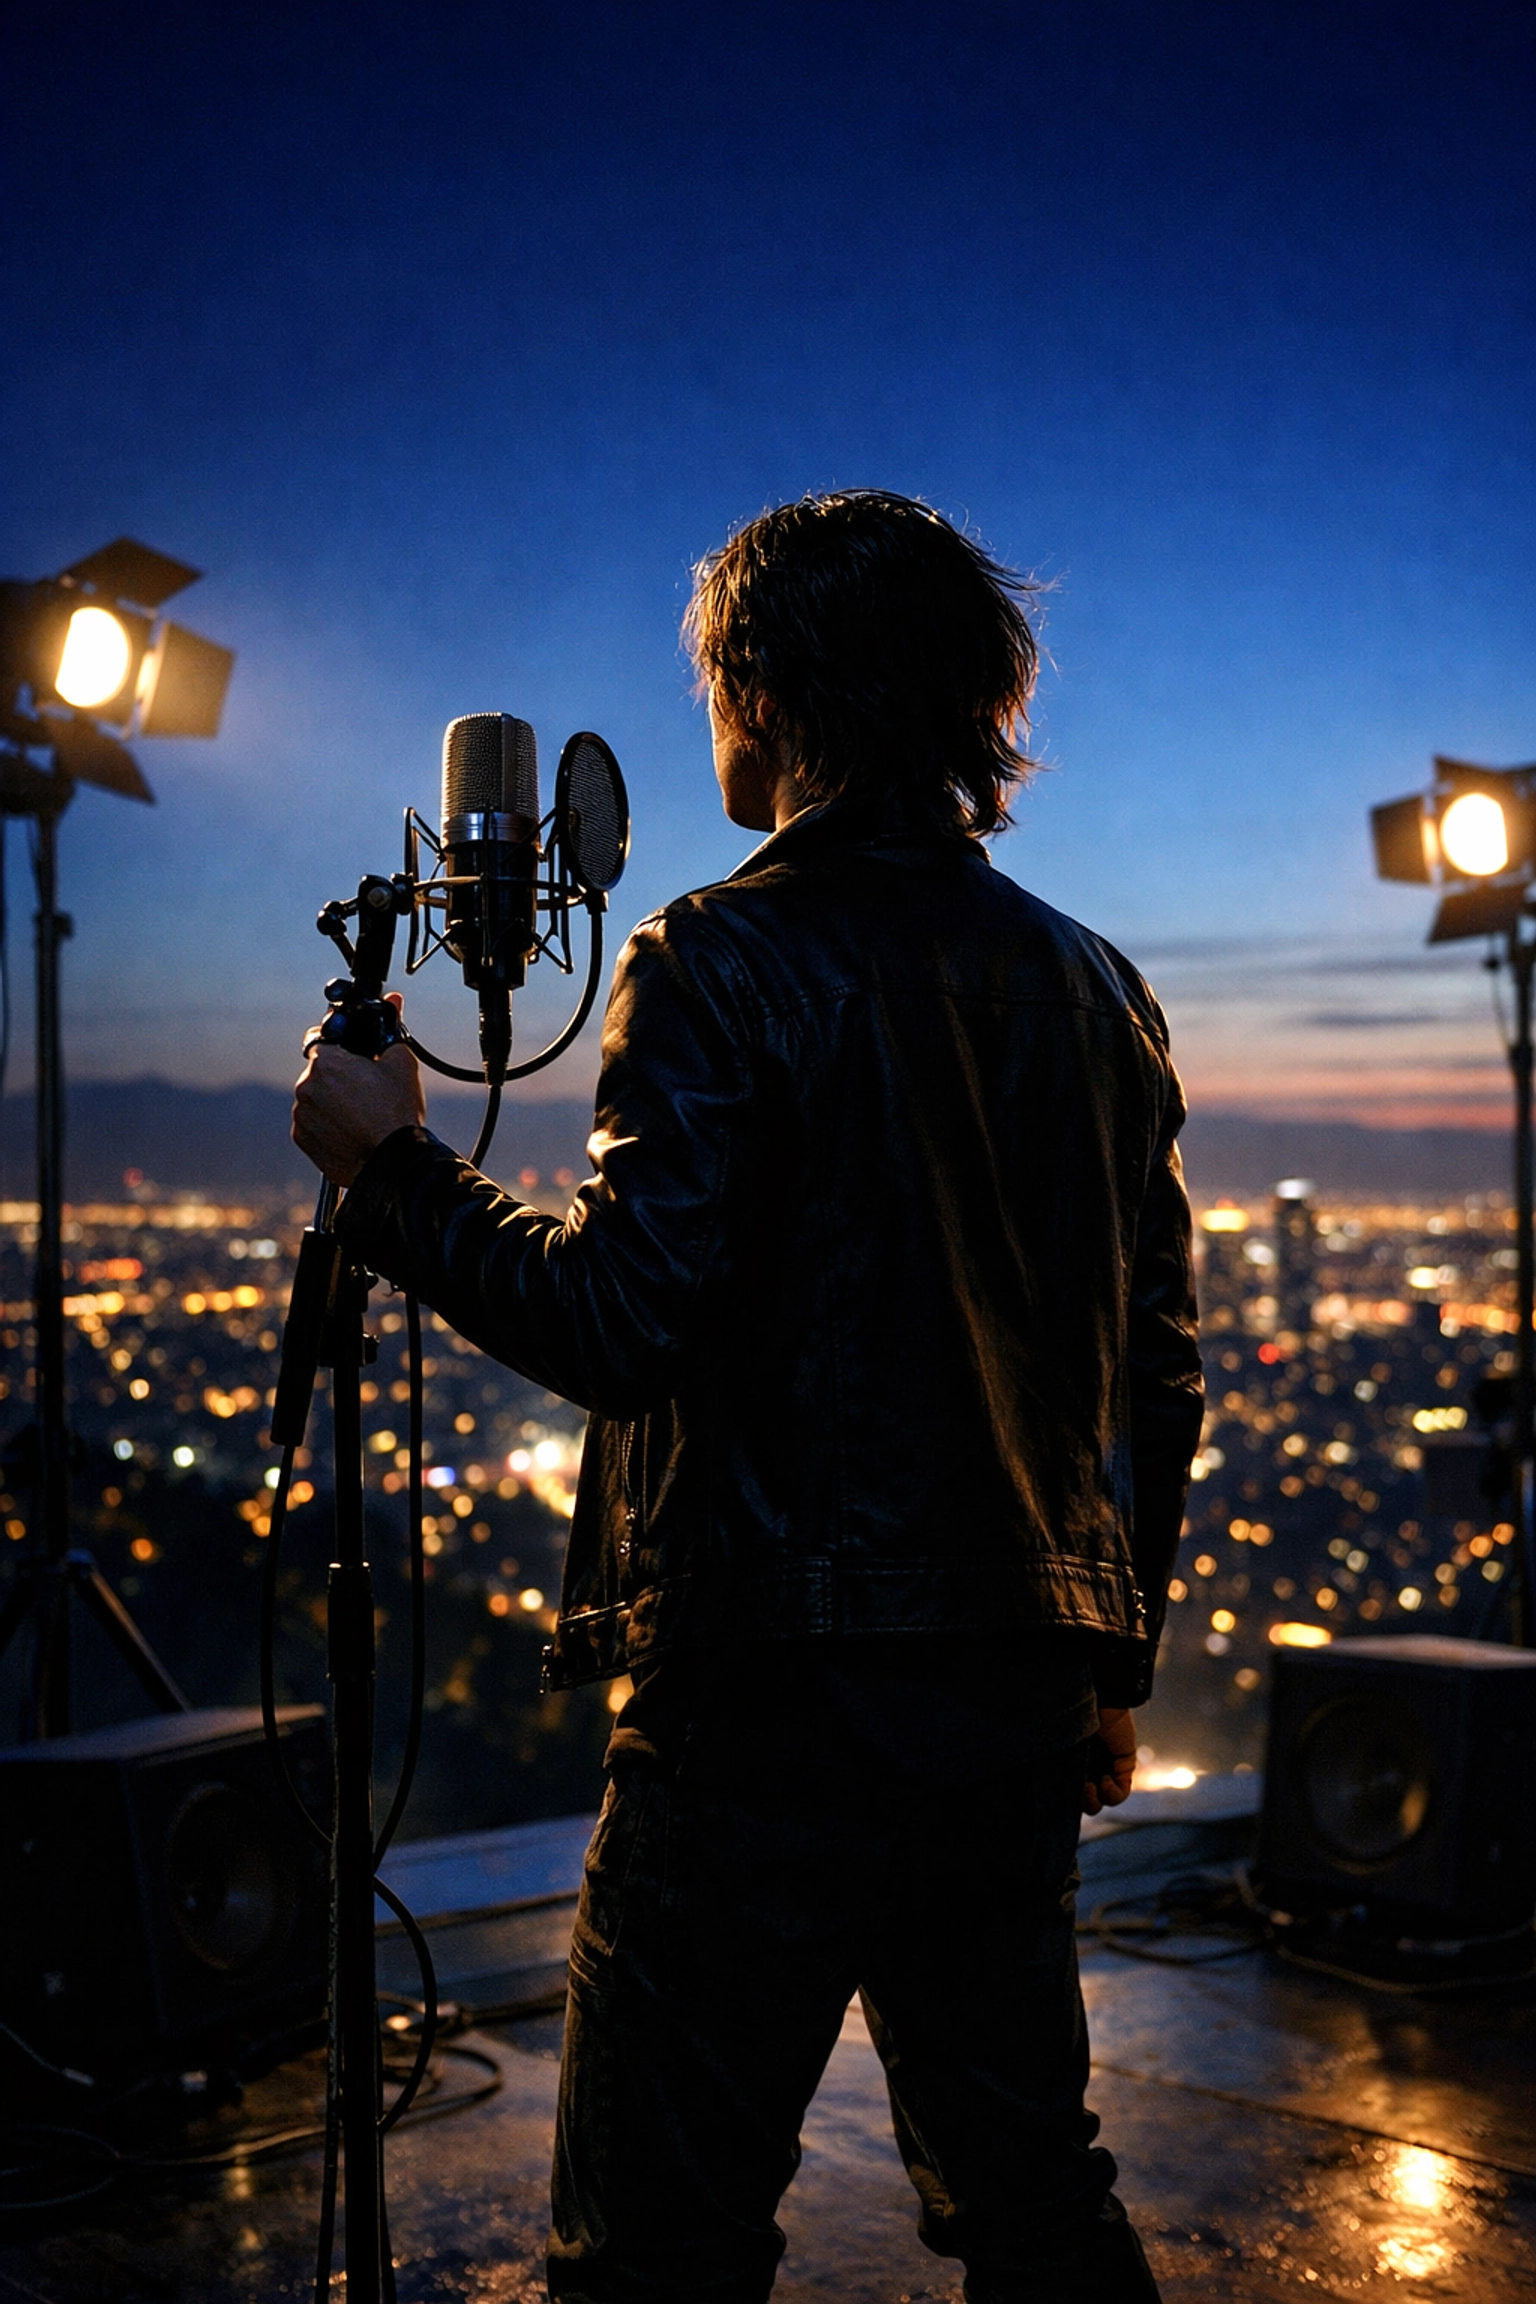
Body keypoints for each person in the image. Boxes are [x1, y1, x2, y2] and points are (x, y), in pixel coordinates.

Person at [293, 489, 1204, 2304]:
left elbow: (626, 1319)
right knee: (1032, 2197)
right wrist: (1110, 1669)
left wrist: (392, 1177)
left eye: (716, 685)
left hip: (758, 1722)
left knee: (656, 2248)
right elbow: (1151, 1375)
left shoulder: (716, 954)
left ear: (771, 694)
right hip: (1007, 1699)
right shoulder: (1099, 992)